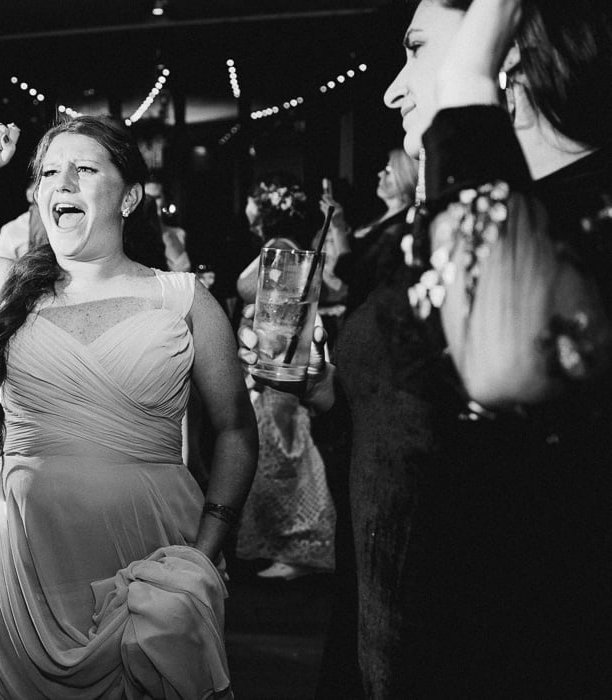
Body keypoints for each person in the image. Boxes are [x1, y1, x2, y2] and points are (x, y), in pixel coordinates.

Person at [246, 0, 612, 695]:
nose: (392, 90)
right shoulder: (447, 220)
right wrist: (329, 391)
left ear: (505, 49)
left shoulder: (587, 214)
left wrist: (468, 79)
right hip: (388, 633)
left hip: (498, 651)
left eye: (416, 49)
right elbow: (413, 427)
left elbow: (502, 368)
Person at [0, 116, 257, 698]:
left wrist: (205, 551)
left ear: (129, 198)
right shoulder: (4, 287)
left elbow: (236, 431)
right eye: (48, 172)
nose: (61, 182)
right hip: (30, 568)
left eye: (84, 169)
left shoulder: (183, 299)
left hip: (155, 556)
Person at [234, 190, 336, 581]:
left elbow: (287, 308)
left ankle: (297, 547)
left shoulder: (281, 249)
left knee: (285, 453)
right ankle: (286, 545)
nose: (247, 209)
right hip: (270, 357)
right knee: (277, 453)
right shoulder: (281, 246)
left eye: (252, 203)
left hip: (279, 362)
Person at [323, 149, 419, 320]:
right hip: (355, 311)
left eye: (388, 170)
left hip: (371, 317)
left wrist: (337, 227)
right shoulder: (380, 217)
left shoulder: (400, 225)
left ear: (405, 177)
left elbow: (354, 272)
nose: (380, 174)